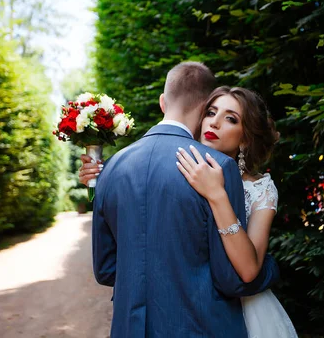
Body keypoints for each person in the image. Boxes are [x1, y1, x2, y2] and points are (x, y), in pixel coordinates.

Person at [81, 84, 297, 337]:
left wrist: (217, 195)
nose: (214, 123)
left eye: (230, 119)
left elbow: (249, 271)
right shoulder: (173, 168)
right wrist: (103, 178)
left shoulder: (260, 188)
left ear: (245, 138)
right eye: (210, 112)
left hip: (240, 314)